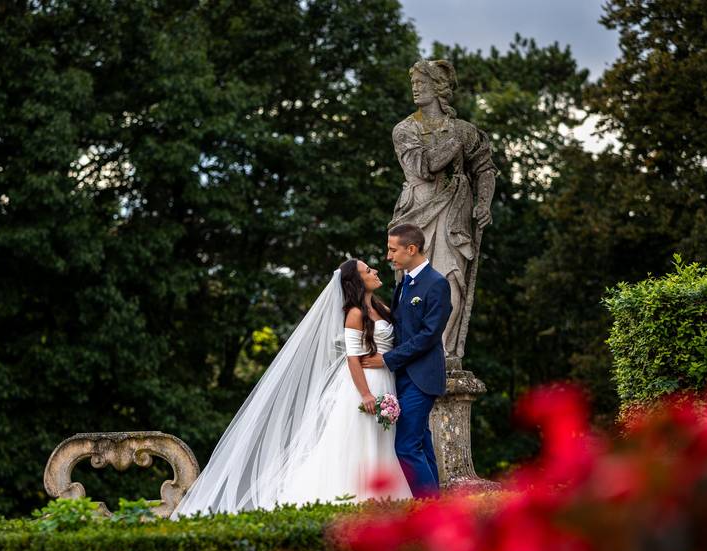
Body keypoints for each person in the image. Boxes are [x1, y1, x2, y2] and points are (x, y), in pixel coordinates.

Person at [172, 259, 411, 517]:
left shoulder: (381, 307)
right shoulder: (355, 314)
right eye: (368, 270)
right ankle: (360, 499)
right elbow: (352, 358)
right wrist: (365, 394)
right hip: (363, 385)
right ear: (357, 281)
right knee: (362, 442)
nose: (375, 272)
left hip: (385, 379)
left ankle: (386, 499)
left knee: (382, 441)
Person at [390, 59, 496, 359]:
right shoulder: (405, 130)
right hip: (417, 210)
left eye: (421, 83)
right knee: (415, 282)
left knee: (451, 279)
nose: (415, 87)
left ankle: (444, 352)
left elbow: (485, 168)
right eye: (413, 83)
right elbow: (423, 167)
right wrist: (453, 145)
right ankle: (415, 349)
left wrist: (483, 204)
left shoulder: (464, 130)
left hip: (454, 213)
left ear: (438, 88)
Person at [360, 224, 452, 497]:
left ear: (411, 249)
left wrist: (388, 359)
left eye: (392, 250)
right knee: (422, 442)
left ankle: (427, 509)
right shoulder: (403, 284)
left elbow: (428, 336)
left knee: (406, 447)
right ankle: (437, 506)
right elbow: (399, 326)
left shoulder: (437, 284)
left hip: (422, 377)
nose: (388, 256)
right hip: (402, 377)